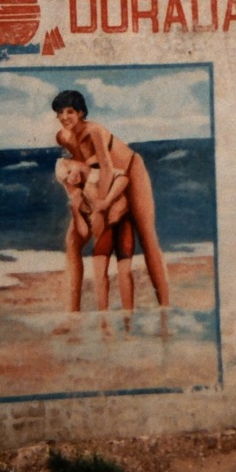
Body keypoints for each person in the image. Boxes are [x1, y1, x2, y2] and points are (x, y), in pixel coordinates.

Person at [50, 90, 170, 309]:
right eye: (60, 112)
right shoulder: (63, 137)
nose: (64, 117)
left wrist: (101, 209)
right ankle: (73, 312)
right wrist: (79, 200)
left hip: (130, 171)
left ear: (81, 113)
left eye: (70, 111)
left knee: (147, 236)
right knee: (72, 241)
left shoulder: (94, 131)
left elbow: (106, 167)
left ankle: (165, 307)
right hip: (101, 182)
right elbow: (86, 170)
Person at [55, 154, 136, 312]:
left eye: (70, 172)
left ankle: (128, 316)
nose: (71, 179)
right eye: (66, 179)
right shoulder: (81, 195)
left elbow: (123, 178)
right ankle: (103, 317)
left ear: (75, 163)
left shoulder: (96, 173)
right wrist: (75, 211)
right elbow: (84, 230)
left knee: (124, 272)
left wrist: (107, 202)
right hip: (104, 228)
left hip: (122, 221)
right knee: (99, 274)